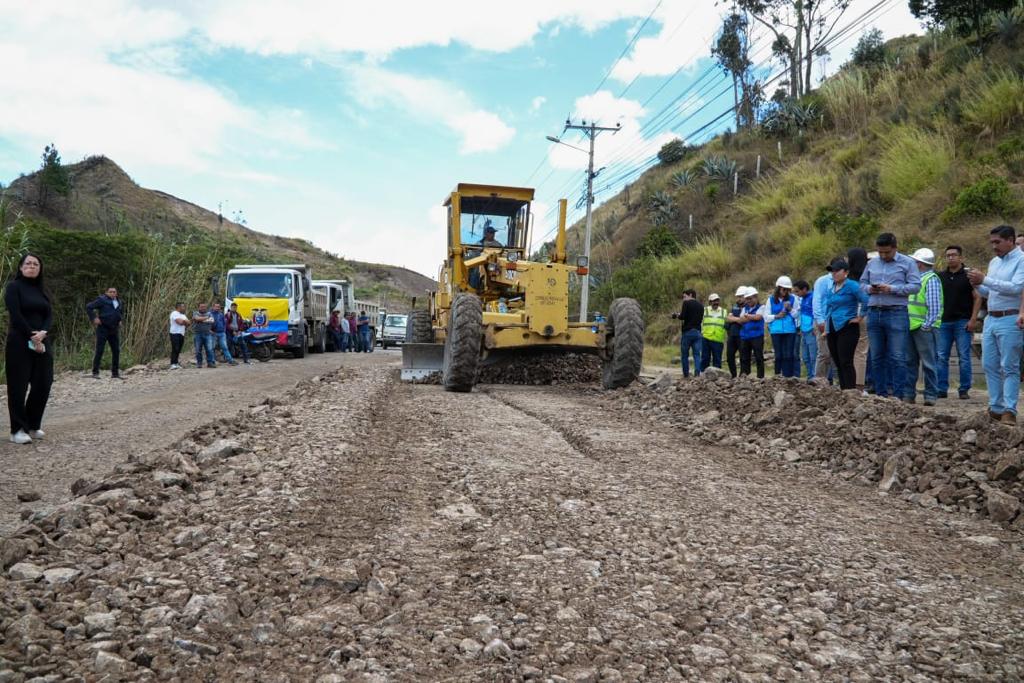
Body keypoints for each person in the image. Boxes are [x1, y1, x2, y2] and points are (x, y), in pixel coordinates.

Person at [969, 225, 1024, 424]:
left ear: (1010, 240)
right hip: (991, 318)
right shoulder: (994, 262)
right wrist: (977, 284)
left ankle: (1010, 409)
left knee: (1009, 365)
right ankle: (996, 406)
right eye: (992, 242)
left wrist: (985, 280)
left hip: (1010, 317)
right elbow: (990, 292)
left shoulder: (1021, 260)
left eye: (997, 242)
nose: (994, 246)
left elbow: (1017, 288)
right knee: (989, 364)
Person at [860, 233, 921, 399]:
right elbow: (862, 283)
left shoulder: (908, 263)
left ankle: (898, 395)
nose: (883, 255)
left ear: (895, 248)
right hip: (874, 312)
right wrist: (869, 289)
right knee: (876, 356)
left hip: (896, 312)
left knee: (898, 356)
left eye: (887, 252)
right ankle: (880, 394)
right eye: (880, 252)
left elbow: (916, 286)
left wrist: (893, 289)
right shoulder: (872, 263)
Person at [5, 253, 53, 444]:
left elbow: (49, 315)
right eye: (28, 263)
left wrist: (43, 333)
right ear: (20, 267)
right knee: (18, 386)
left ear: (39, 269)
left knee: (44, 383)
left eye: (35, 264)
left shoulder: (43, 291)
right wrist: (32, 335)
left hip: (42, 341)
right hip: (20, 341)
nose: (32, 266)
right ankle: (17, 430)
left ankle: (32, 425)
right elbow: (16, 315)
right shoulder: (13, 287)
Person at [937, 245, 980, 400]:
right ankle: (941, 388)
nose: (950, 258)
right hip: (943, 322)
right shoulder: (940, 276)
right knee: (941, 356)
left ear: (961, 257)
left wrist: (973, 319)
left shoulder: (969, 276)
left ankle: (964, 389)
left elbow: (978, 297)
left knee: (964, 356)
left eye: (954, 255)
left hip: (963, 321)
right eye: (948, 255)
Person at [822, 258, 869, 390]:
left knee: (846, 361)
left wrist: (859, 317)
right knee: (837, 361)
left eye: (837, 271)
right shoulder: (832, 287)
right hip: (832, 327)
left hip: (847, 326)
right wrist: (826, 328)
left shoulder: (852, 285)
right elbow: (828, 309)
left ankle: (850, 391)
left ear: (846, 272)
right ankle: (843, 391)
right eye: (832, 271)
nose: (834, 273)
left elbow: (866, 300)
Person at [905, 248, 942, 406]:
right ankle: (909, 394)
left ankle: (930, 395)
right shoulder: (915, 279)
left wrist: (927, 325)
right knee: (910, 362)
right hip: (912, 326)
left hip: (924, 328)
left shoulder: (931, 279)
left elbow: (934, 306)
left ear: (919, 264)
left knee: (928, 363)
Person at [764, 276, 799, 378]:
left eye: (788, 290)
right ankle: (777, 376)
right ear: (778, 288)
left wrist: (790, 309)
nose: (786, 292)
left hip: (790, 330)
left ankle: (788, 377)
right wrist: (776, 316)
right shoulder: (770, 300)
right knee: (778, 355)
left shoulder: (793, 298)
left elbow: (797, 315)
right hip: (776, 331)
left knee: (789, 355)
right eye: (784, 289)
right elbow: (766, 317)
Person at [85, 286, 124, 380]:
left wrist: (120, 320)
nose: (112, 293)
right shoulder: (102, 300)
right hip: (103, 328)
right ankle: (95, 372)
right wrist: (94, 318)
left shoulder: (119, 301)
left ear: (116, 293)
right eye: (110, 292)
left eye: (114, 292)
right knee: (100, 350)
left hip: (114, 329)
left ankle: (115, 373)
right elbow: (89, 307)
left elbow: (120, 312)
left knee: (116, 350)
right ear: (106, 293)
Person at [672, 289, 703, 377]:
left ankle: (686, 374)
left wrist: (676, 315)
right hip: (698, 332)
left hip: (688, 332)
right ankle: (697, 373)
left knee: (685, 354)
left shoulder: (686, 303)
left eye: (684, 296)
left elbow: (683, 317)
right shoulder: (701, 306)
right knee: (697, 354)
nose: (683, 299)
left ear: (690, 295)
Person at [812, 265, 835, 383]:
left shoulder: (846, 282)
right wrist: (820, 321)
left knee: (836, 354)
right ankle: (819, 381)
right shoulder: (822, 281)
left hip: (837, 321)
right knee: (824, 353)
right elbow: (816, 301)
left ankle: (834, 381)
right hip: (823, 320)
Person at [738, 288, 766, 379]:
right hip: (745, 336)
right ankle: (744, 374)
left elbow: (758, 317)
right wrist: (750, 317)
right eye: (747, 299)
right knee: (744, 357)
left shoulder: (761, 307)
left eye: (750, 298)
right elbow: (741, 320)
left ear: (756, 297)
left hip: (757, 335)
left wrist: (747, 316)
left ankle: (760, 376)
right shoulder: (744, 308)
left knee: (758, 357)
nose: (749, 301)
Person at [794, 280, 815, 380]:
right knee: (805, 357)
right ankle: (810, 376)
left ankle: (815, 377)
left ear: (805, 289)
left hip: (811, 331)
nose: (796, 294)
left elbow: (816, 312)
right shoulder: (803, 299)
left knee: (813, 356)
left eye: (797, 291)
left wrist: (814, 326)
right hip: (804, 331)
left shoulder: (813, 297)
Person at [699, 293, 726, 371]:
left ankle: (717, 378)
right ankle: (703, 375)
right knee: (705, 359)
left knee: (717, 360)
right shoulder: (704, 310)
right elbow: (699, 322)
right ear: (710, 302)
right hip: (706, 338)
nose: (716, 302)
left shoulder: (723, 311)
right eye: (713, 301)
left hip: (718, 339)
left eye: (717, 300)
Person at [724, 287, 747, 378]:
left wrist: (733, 319)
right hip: (732, 335)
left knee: (743, 356)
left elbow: (743, 320)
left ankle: (742, 375)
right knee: (729, 356)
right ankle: (733, 375)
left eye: (740, 297)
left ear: (745, 297)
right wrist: (737, 319)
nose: (738, 299)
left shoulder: (748, 307)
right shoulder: (735, 307)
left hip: (742, 335)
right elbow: (728, 318)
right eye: (737, 297)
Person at [192, 303, 217, 368]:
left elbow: (212, 320)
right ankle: (199, 363)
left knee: (209, 349)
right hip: (198, 334)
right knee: (198, 350)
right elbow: (196, 319)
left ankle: (210, 363)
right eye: (201, 307)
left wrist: (201, 320)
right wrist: (206, 318)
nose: (203, 308)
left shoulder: (210, 313)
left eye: (204, 307)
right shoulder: (195, 313)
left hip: (207, 334)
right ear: (199, 307)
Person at [169, 302, 190, 369]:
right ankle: (172, 363)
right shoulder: (174, 313)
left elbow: (189, 323)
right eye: (183, 307)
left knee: (179, 349)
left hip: (181, 333)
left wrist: (184, 321)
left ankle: (176, 363)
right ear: (179, 307)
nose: (184, 308)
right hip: (174, 333)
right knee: (175, 348)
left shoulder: (183, 315)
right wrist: (185, 321)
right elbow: (180, 322)